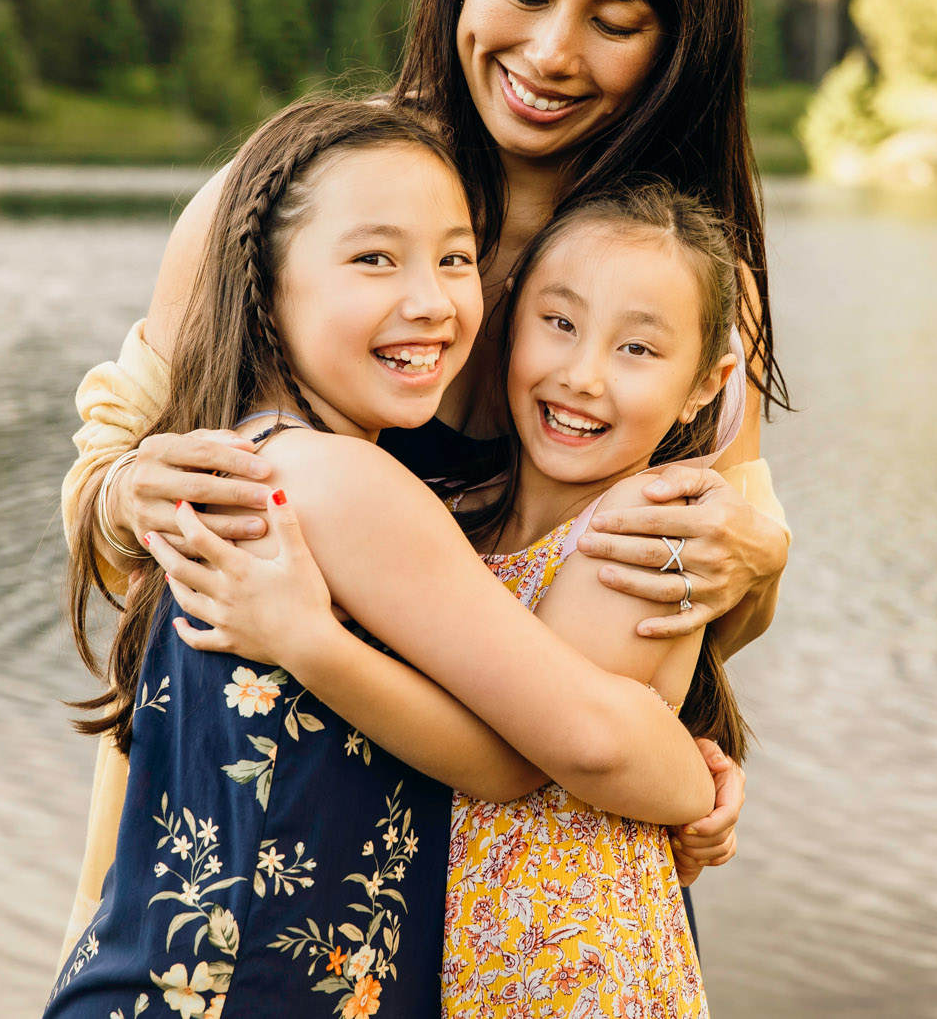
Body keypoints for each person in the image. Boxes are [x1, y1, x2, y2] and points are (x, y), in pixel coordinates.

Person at [57, 0, 792, 948]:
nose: (550, 52)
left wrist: (743, 596)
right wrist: (123, 490)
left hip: (530, 910)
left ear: (676, 42)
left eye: (616, 18)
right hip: (244, 875)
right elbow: (107, 499)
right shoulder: (284, 202)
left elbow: (688, 628)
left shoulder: (684, 293)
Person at [46, 101, 723, 1019]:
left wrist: (680, 774)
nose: (432, 300)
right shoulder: (343, 484)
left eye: (454, 259)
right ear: (267, 278)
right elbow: (524, 753)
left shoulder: (237, 454)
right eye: (375, 258)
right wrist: (682, 778)